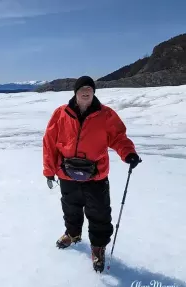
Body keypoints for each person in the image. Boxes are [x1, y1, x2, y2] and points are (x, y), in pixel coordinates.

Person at [42, 75, 141, 272]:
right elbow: (49, 142)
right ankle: (73, 234)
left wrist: (128, 153)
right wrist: (49, 170)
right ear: (75, 93)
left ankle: (98, 247)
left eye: (89, 89)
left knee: (99, 212)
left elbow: (118, 137)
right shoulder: (60, 114)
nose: (86, 92)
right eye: (82, 89)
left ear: (93, 92)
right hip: (67, 173)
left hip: (95, 174)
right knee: (70, 207)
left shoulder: (105, 114)